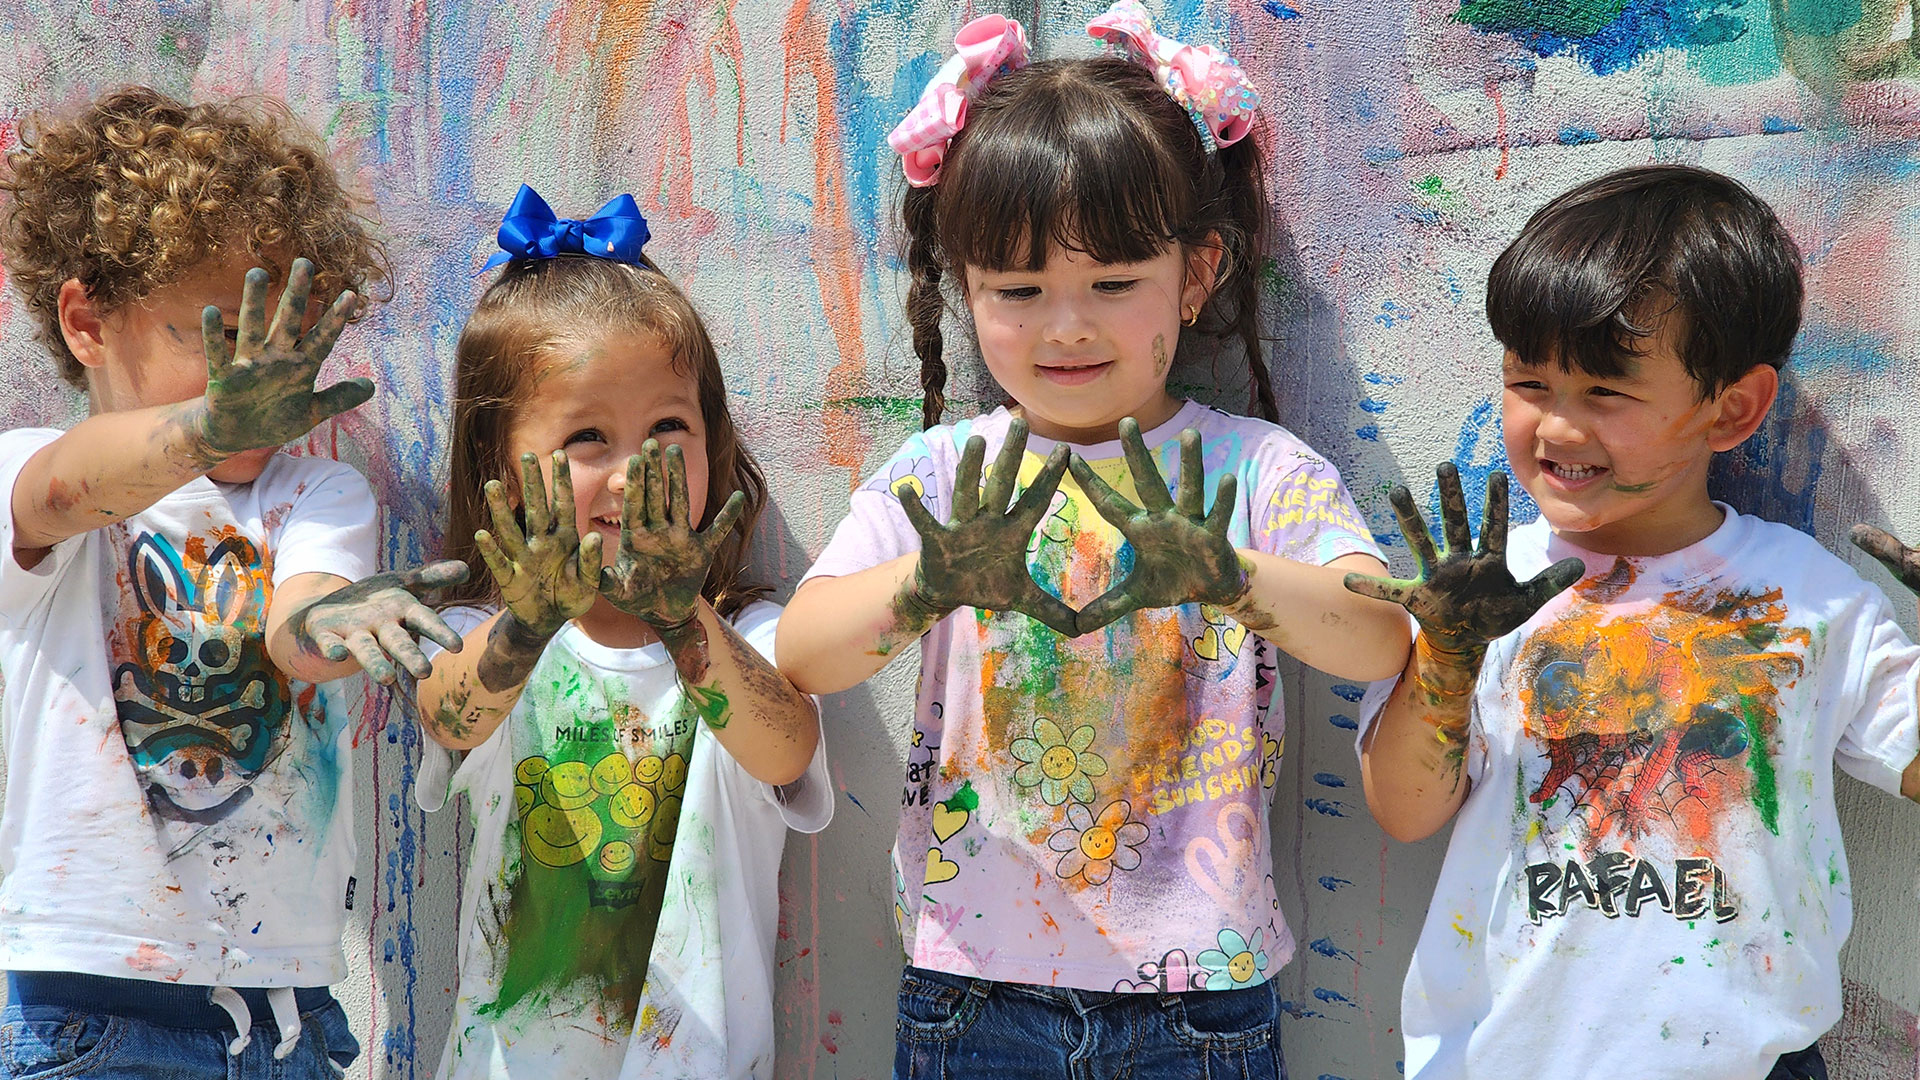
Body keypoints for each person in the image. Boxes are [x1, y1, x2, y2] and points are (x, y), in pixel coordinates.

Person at [778, 5, 1410, 1077]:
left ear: (1198, 271)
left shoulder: (1257, 472)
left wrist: (1230, 575)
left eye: (1113, 285)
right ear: (962, 288)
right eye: (1018, 292)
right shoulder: (943, 478)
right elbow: (803, 653)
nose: (1065, 325)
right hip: (972, 993)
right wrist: (931, 580)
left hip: (1198, 1003)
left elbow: (1379, 639)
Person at [1346, 164, 1920, 1080]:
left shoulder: (1811, 599)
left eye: (1606, 395)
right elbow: (1405, 812)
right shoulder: (1487, 592)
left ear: (1731, 408)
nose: (1559, 430)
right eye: (1531, 383)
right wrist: (1447, 662)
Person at [0, 86, 466, 1075]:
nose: (268, 388)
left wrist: (339, 622)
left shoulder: (319, 494)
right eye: (217, 342)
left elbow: (297, 631)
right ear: (87, 319)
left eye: (292, 349)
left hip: (287, 1013)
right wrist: (205, 431)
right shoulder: (41, 472)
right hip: (86, 1012)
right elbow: (58, 488)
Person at [413, 185, 831, 1080]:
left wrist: (685, 624)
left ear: (712, 444)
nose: (635, 466)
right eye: (588, 437)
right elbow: (450, 717)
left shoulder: (753, 632)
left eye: (668, 428)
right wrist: (526, 627)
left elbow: (787, 750)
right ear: (503, 466)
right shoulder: (479, 636)